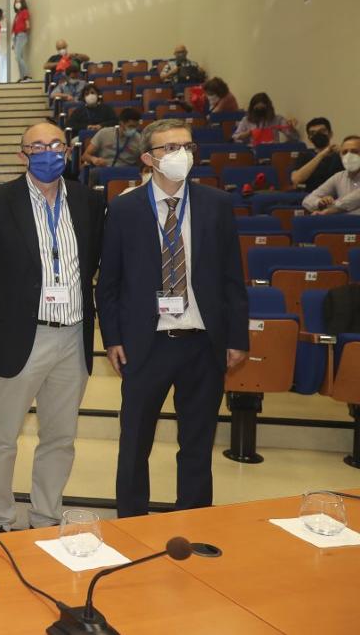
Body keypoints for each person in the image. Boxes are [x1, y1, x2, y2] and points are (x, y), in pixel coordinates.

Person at [96, 118, 249, 517]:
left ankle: (195, 517)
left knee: (198, 443)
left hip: (203, 341)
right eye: (169, 148)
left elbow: (233, 278)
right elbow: (108, 282)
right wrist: (112, 338)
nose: (181, 154)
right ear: (148, 158)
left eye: (187, 146)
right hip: (147, 343)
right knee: (135, 443)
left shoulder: (216, 205)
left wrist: (237, 338)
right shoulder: (125, 207)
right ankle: (131, 519)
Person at [0, 122, 103, 532]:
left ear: (69, 148)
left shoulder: (87, 201)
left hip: (73, 337)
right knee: (2, 438)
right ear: (22, 153)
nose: (48, 152)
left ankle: (44, 516)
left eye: (56, 144)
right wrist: (8, 310)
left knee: (60, 438)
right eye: (37, 146)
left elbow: (92, 261)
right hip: (22, 335)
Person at [303, 135, 360, 216]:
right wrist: (320, 202)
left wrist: (329, 209)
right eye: (344, 152)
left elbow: (355, 199)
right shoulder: (339, 176)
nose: (349, 156)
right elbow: (307, 201)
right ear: (340, 156)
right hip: (343, 225)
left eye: (354, 151)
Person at [292, 117, 345, 191]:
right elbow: (296, 179)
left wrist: (344, 153)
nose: (318, 135)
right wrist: (321, 155)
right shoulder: (304, 155)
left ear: (330, 134)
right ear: (309, 138)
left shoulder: (340, 153)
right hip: (312, 196)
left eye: (322, 131)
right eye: (313, 133)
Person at [232, 93, 299, 145]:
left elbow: (295, 138)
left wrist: (291, 129)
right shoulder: (246, 120)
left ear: (268, 108)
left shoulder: (278, 119)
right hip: (253, 154)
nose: (260, 114)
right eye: (257, 109)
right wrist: (247, 134)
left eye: (262, 109)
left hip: (273, 153)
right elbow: (235, 137)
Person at [11, 0, 31, 81]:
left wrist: (26, 31)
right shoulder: (17, 15)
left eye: (19, 1)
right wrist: (13, 42)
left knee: (18, 57)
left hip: (21, 35)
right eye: (16, 2)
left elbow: (27, 24)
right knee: (19, 57)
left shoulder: (24, 12)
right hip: (15, 36)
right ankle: (22, 76)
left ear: (22, 3)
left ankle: (26, 74)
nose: (17, 3)